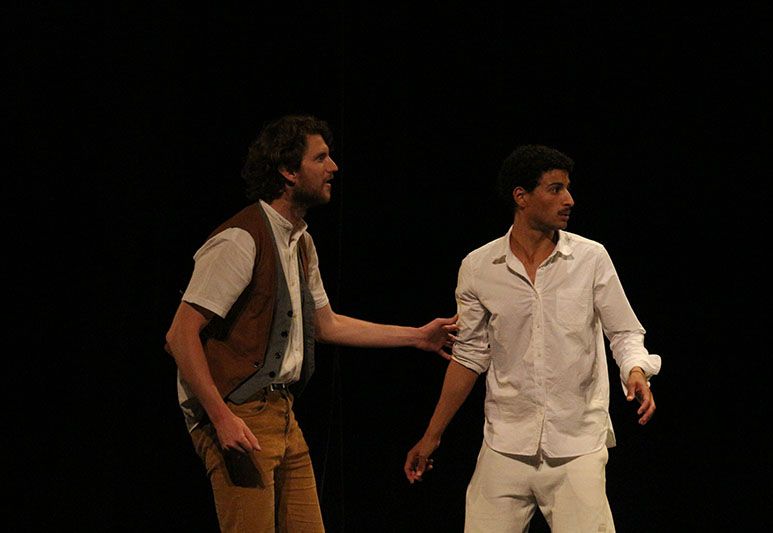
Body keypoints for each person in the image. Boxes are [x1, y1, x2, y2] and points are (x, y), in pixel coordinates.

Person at [165, 114, 457, 532]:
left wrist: (418, 336)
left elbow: (327, 325)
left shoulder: (301, 241)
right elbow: (180, 334)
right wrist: (221, 416)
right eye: (320, 158)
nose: (333, 167)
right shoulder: (240, 239)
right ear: (288, 171)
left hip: (283, 412)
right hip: (239, 411)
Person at [404, 144, 661, 532]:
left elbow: (624, 331)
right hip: (506, 443)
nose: (569, 200)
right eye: (555, 189)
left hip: (576, 444)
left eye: (568, 188)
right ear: (521, 196)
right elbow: (469, 357)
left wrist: (636, 370)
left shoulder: (590, 258)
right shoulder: (479, 267)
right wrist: (432, 435)